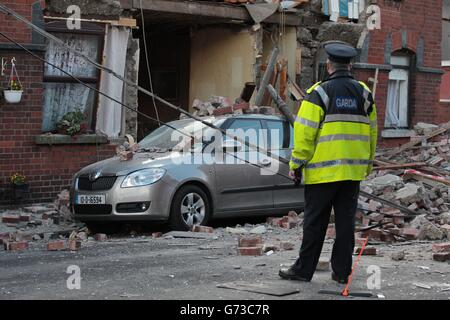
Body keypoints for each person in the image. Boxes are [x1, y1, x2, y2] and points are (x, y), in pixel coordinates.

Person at [278, 41, 378, 284]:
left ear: (329, 65)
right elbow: (373, 132)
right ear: (351, 65)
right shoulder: (364, 93)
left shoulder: (319, 92)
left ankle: (303, 271)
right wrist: (368, 163)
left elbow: (304, 133)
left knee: (314, 224)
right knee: (345, 225)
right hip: (352, 173)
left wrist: (296, 164)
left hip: (322, 174)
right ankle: (342, 273)